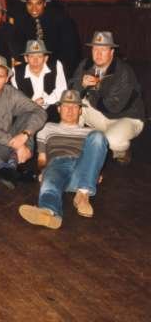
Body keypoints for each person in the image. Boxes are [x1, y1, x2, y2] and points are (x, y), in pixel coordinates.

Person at [19, 90, 109, 229]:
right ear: (59, 109)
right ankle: (49, 213)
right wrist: (43, 170)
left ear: (80, 110)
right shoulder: (47, 128)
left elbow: (95, 154)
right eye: (66, 106)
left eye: (74, 107)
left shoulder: (90, 132)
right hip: (57, 165)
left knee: (99, 136)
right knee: (49, 184)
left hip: (81, 169)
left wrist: (95, 172)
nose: (70, 110)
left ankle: (82, 195)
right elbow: (42, 158)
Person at [71, 31, 145, 164]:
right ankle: (73, 142)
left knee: (111, 141)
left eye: (103, 50)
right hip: (100, 115)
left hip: (126, 118)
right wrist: (81, 85)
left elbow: (113, 107)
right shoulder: (86, 65)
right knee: (73, 105)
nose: (98, 54)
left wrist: (93, 89)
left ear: (111, 52)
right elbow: (71, 93)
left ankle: (122, 151)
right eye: (95, 49)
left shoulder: (124, 71)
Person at [0, 55, 47, 184]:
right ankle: (8, 169)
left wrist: (25, 135)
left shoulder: (10, 92)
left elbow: (40, 111)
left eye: (1, 76)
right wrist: (16, 144)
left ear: (7, 78)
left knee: (29, 115)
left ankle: (11, 165)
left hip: (6, 145)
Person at [13, 0, 80, 75]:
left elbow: (70, 52)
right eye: (30, 4)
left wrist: (61, 72)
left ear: (45, 3)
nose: (34, 8)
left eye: (38, 3)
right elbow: (18, 49)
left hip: (57, 68)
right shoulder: (21, 21)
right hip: (31, 68)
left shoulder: (61, 20)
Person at [11, 40, 67, 121]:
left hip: (52, 113)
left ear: (46, 58)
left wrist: (45, 100)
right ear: (26, 58)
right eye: (31, 56)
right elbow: (16, 98)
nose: (35, 60)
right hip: (27, 115)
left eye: (39, 56)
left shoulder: (56, 66)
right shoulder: (16, 72)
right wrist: (31, 104)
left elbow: (62, 91)